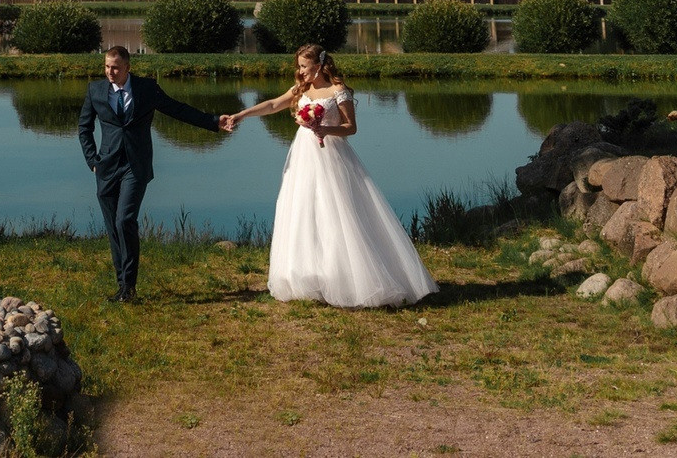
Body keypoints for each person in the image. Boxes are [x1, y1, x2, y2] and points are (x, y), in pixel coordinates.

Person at [223, 45, 435, 308]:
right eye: (299, 66)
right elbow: (273, 104)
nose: (300, 71)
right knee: (303, 211)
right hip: (303, 158)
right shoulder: (300, 89)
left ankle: (350, 280)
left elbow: (351, 128)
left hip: (332, 157)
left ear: (320, 66)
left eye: (304, 66)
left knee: (338, 213)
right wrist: (242, 114)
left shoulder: (338, 92)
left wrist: (324, 128)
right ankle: (310, 278)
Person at [76, 44, 233, 302]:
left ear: (127, 67)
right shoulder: (95, 91)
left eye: (115, 67)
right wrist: (92, 161)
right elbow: (84, 128)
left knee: (124, 220)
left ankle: (129, 288)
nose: (110, 72)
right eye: (106, 66)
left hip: (135, 167)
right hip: (106, 168)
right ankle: (122, 286)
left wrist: (213, 121)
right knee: (113, 229)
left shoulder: (147, 89)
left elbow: (177, 109)